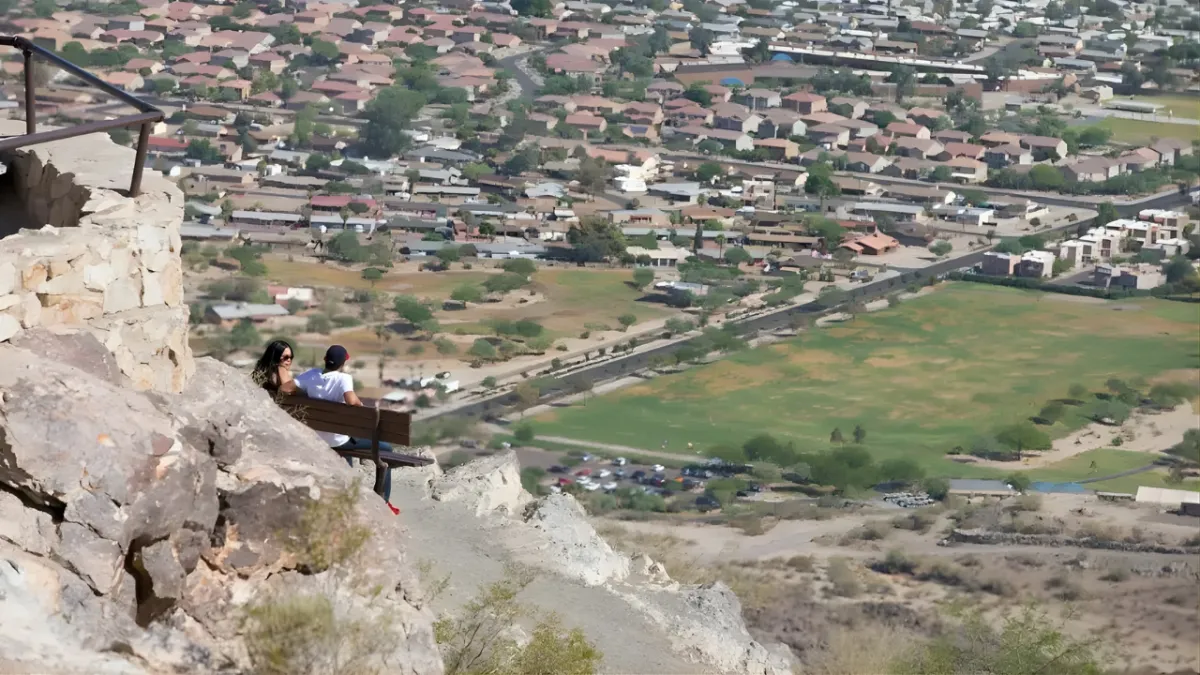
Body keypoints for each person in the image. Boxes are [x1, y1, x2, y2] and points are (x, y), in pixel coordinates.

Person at [295, 345, 400, 515]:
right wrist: (360, 404)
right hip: (338, 441)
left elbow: (286, 388)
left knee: (347, 447)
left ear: (324, 359)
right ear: (343, 362)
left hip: (317, 438)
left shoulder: (311, 375)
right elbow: (351, 401)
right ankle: (384, 502)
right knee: (386, 450)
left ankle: (347, 490)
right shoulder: (343, 378)